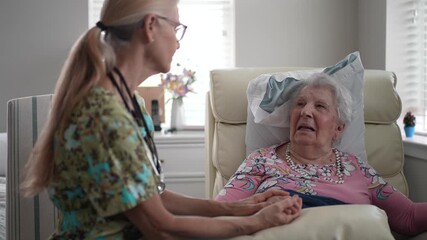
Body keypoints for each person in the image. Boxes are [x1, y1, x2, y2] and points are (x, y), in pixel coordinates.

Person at [19, 0, 304, 239]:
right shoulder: (104, 117)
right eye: (176, 27)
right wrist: (257, 222)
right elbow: (158, 226)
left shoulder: (131, 104)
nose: (178, 44)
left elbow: (154, 198)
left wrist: (240, 207)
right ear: (151, 26)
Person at [216, 72, 427, 237]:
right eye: (300, 104)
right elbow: (219, 211)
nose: (306, 112)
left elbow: (408, 217)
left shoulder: (359, 169)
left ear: (338, 128)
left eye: (320, 106)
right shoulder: (261, 160)